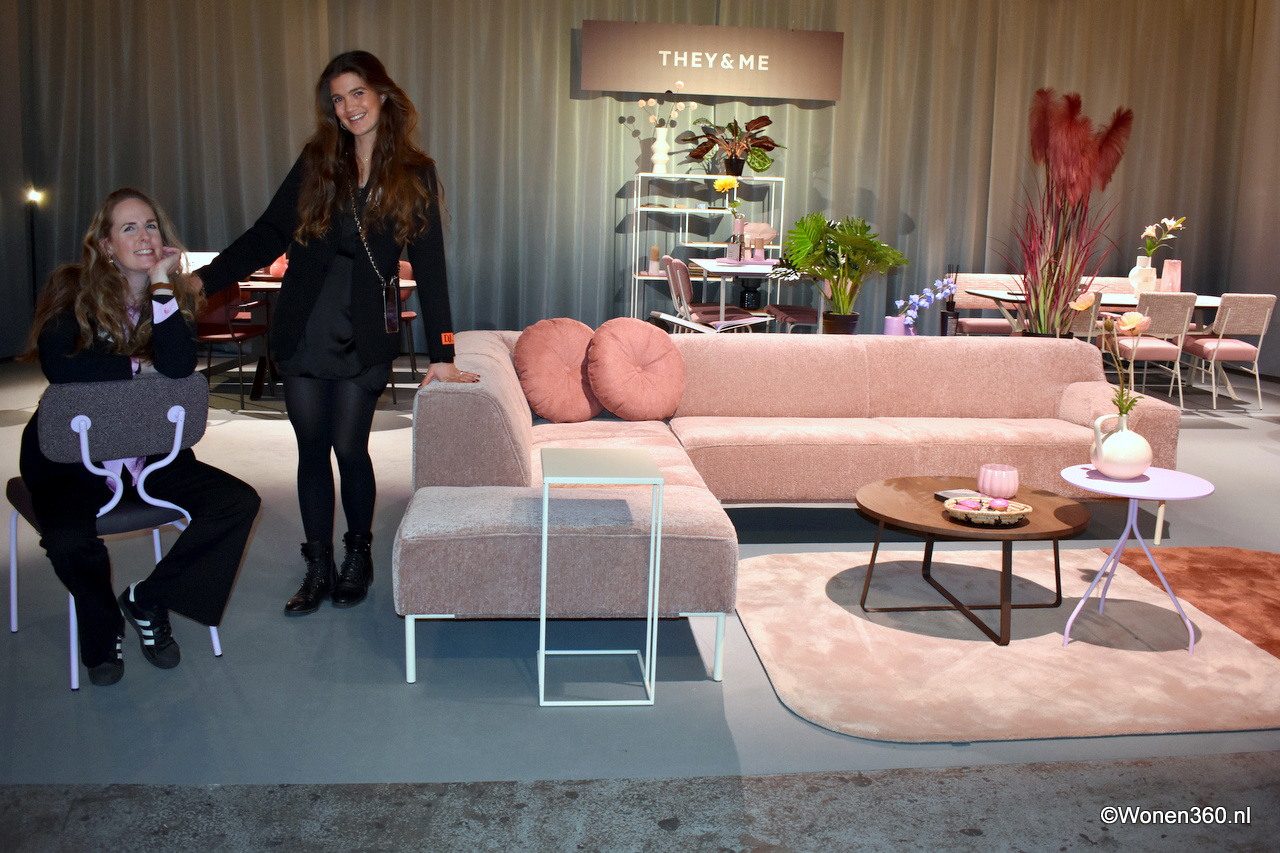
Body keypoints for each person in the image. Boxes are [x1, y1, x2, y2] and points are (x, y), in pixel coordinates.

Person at [193, 50, 477, 616]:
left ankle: (357, 554)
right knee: (311, 449)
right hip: (304, 325)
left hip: (365, 331)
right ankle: (317, 564)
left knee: (349, 446)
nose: (348, 108)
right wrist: (203, 281)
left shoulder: (415, 171)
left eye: (357, 94)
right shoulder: (318, 160)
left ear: (383, 94)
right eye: (338, 99)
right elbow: (268, 233)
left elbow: (430, 265)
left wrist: (442, 352)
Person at [19, 188, 261, 686]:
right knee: (68, 541)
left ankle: (147, 600)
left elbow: (177, 365)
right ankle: (102, 628)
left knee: (236, 503)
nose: (145, 236)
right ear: (106, 244)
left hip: (151, 452)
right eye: (129, 228)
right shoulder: (74, 288)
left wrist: (160, 284)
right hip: (72, 457)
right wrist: (134, 367)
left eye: (150, 225)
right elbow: (59, 364)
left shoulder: (168, 295)